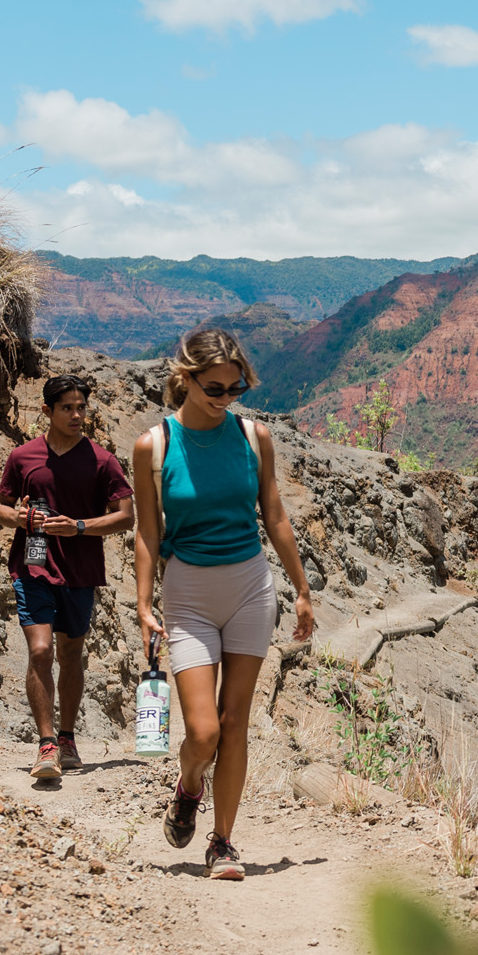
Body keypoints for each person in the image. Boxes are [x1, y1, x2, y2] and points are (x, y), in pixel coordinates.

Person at [131, 327, 315, 880]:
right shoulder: (154, 445)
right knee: (204, 732)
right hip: (187, 593)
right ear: (183, 378)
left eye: (236, 388)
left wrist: (302, 591)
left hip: (251, 588)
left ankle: (223, 843)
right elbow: (146, 530)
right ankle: (190, 784)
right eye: (215, 387)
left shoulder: (255, 436)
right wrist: (143, 604)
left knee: (236, 724)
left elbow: (275, 516)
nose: (226, 398)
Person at [0, 374, 135, 779]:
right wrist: (17, 517)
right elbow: (0, 507)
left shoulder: (102, 460)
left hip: (79, 571)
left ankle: (68, 736)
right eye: (67, 408)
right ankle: (46, 745)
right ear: (47, 412)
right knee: (41, 651)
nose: (77, 415)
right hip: (32, 565)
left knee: (71, 652)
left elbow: (126, 518)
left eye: (81, 407)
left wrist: (77, 527)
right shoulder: (22, 457)